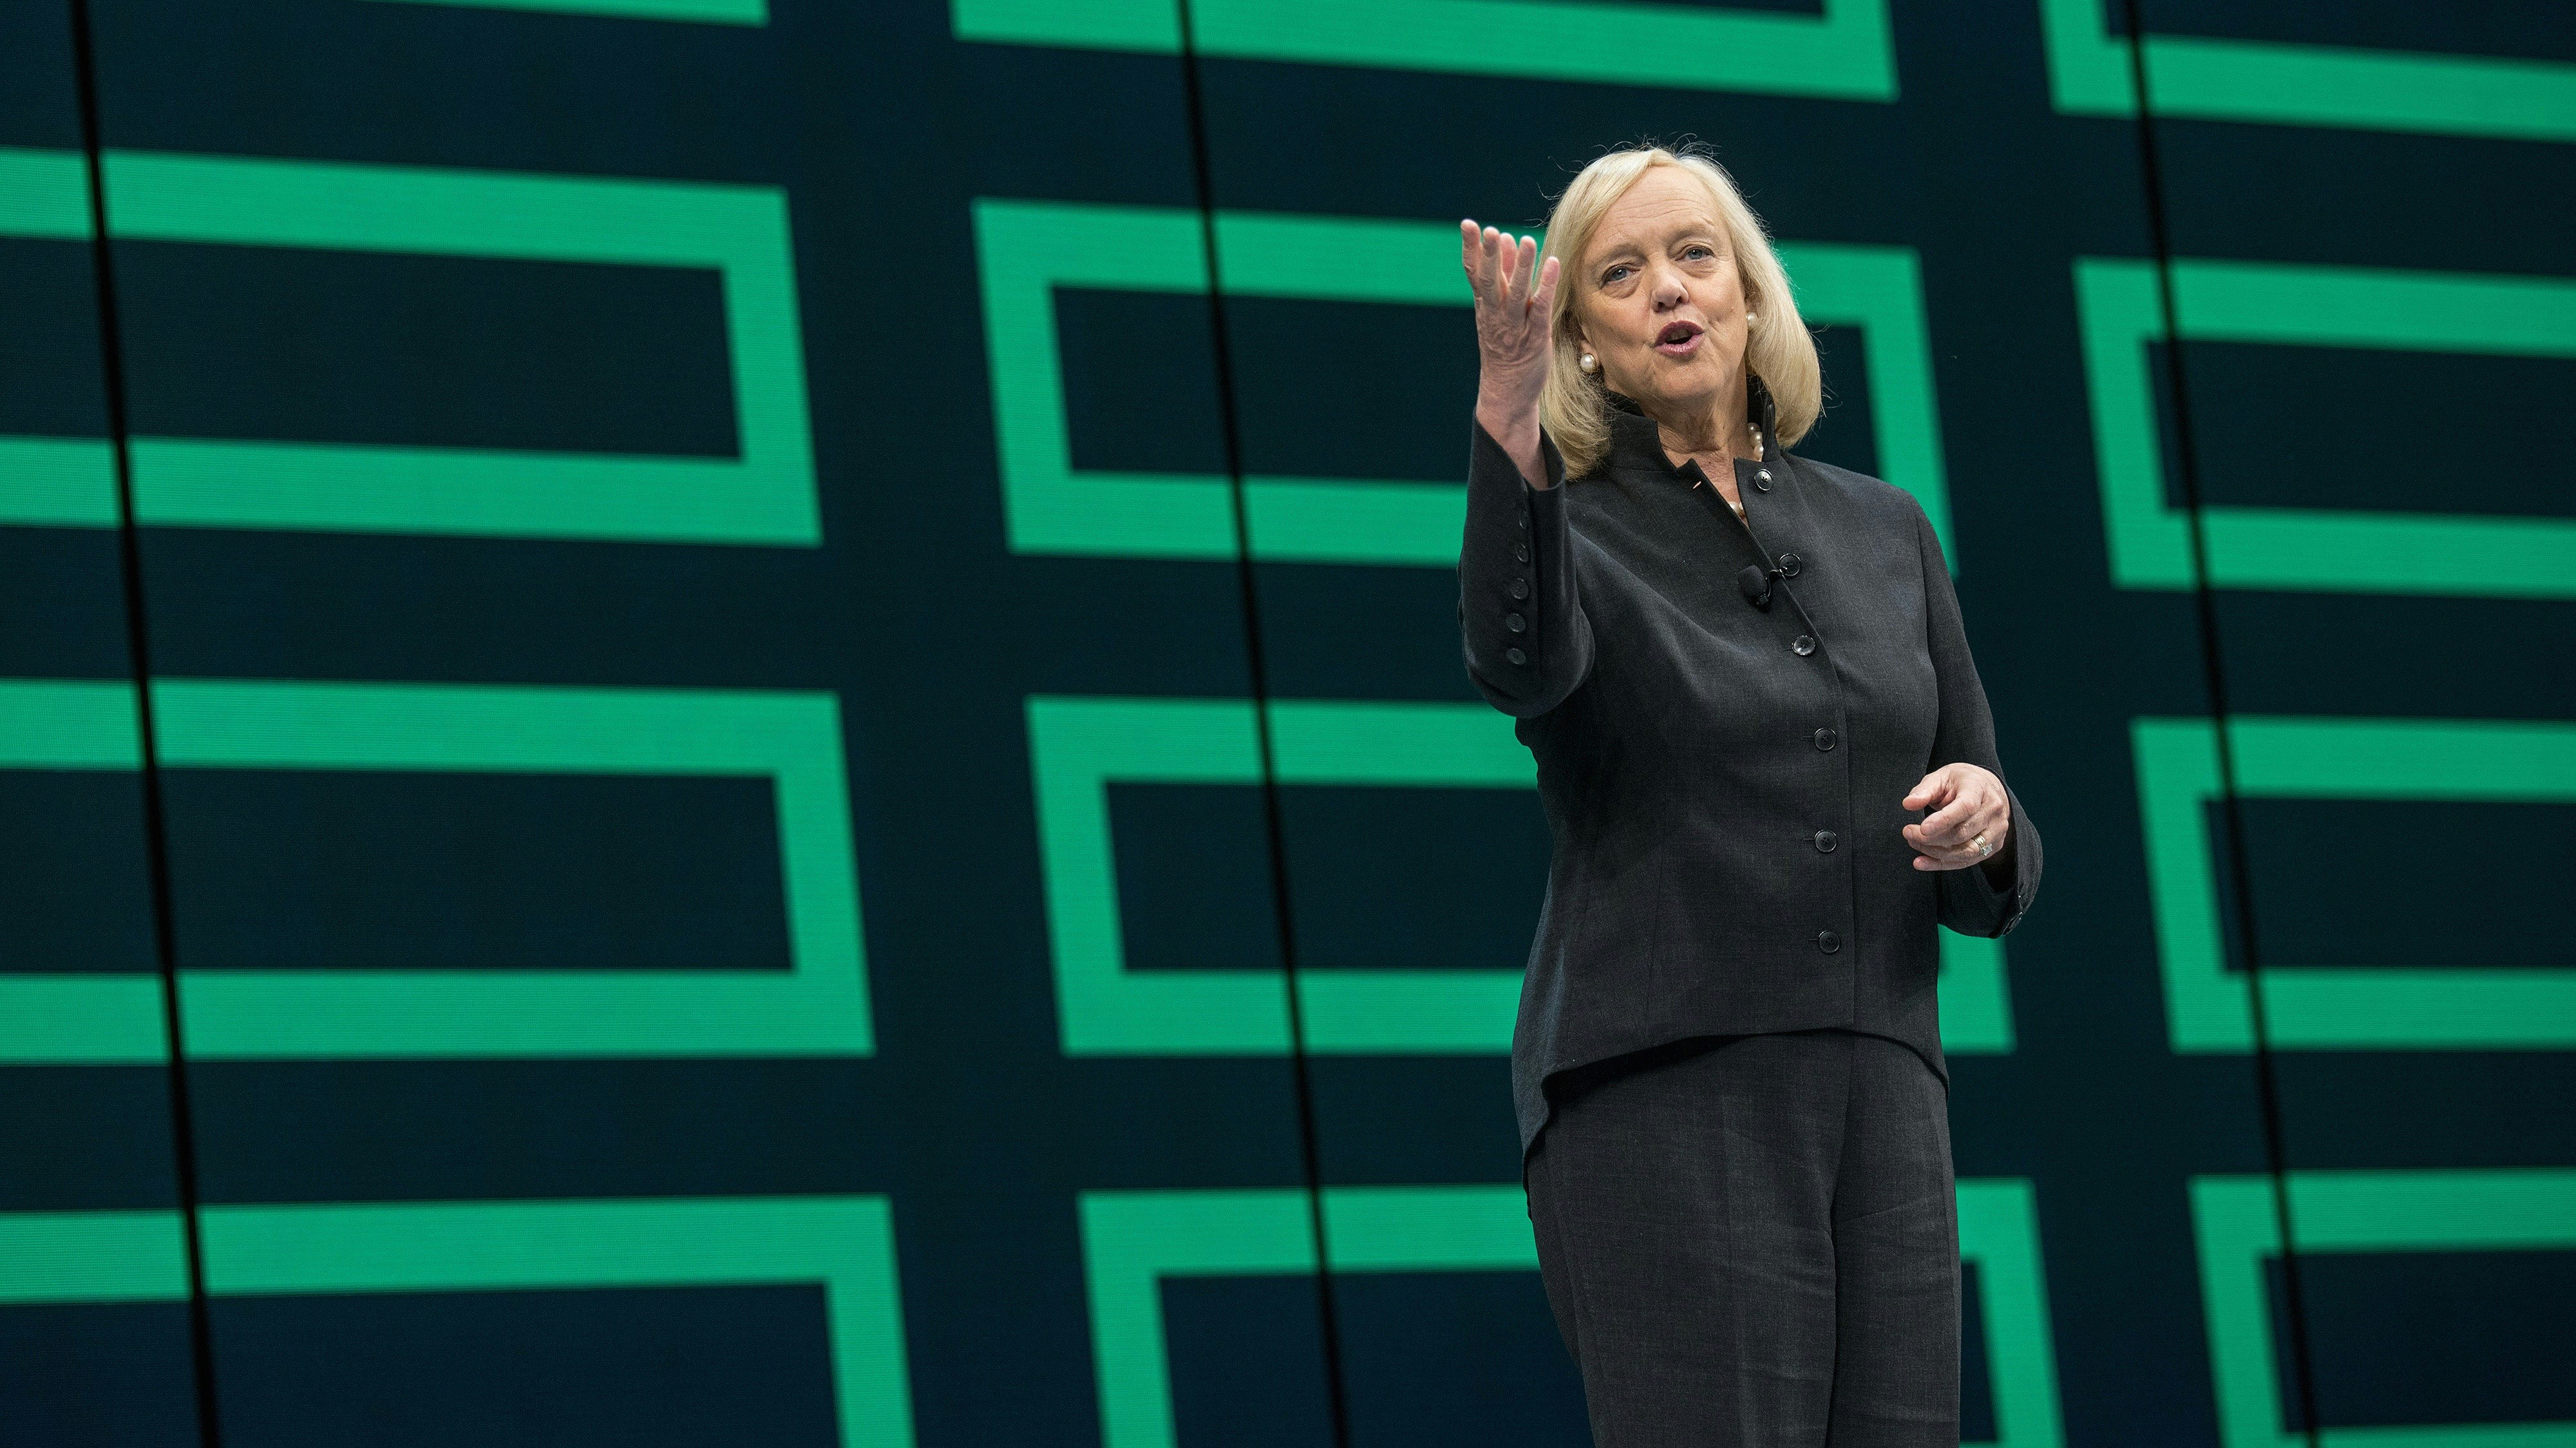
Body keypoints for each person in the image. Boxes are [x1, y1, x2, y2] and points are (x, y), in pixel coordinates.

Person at [1456, 144, 2043, 1445]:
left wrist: (1985, 823)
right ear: (1586, 341)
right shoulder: (1575, 525)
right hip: (1668, 1085)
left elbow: (1983, 826)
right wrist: (1510, 427)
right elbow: (1513, 661)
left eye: (1692, 255)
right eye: (1618, 271)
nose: (1665, 288)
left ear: (1747, 293)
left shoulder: (1884, 531)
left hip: (1883, 1090)